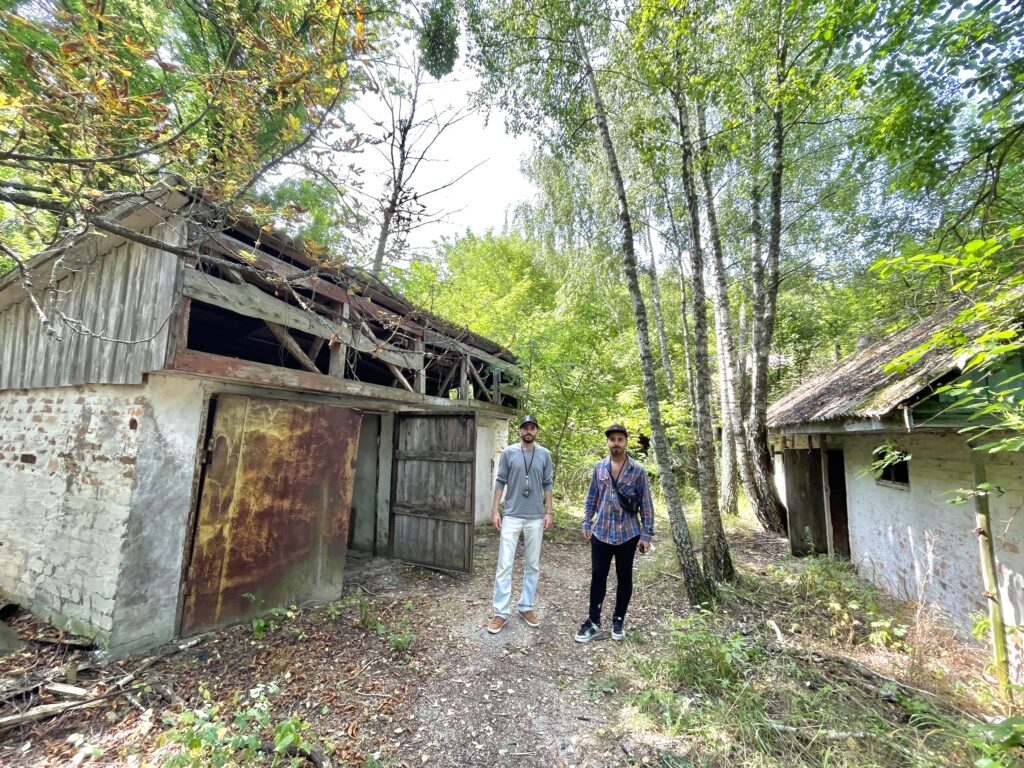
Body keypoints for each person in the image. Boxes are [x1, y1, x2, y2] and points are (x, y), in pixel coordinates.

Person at [575, 424, 654, 642]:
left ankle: (618, 620)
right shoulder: (599, 467)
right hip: (601, 532)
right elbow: (592, 496)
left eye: (620, 439)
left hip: (628, 534)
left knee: (624, 577)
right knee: (598, 576)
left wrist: (646, 535)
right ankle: (593, 622)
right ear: (608, 442)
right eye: (612, 439)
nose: (616, 443)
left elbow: (646, 503)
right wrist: (586, 522)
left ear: (626, 442)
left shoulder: (637, 470)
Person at [487, 414, 554, 634]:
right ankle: (501, 611)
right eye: (525, 427)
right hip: (512, 515)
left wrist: (549, 512)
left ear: (536, 431)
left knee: (532, 564)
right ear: (519, 431)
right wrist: (495, 511)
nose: (528, 431)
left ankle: (526, 606)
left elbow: (548, 483)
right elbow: (500, 480)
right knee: (504, 564)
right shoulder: (508, 453)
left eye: (532, 428)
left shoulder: (544, 454)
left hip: (535, 517)